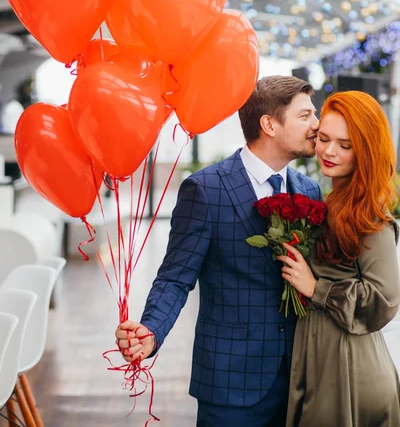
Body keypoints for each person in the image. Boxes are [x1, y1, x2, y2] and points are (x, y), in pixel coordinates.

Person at [115, 75, 322, 427]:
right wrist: (151, 330)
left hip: (300, 379)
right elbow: (175, 278)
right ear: (269, 124)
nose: (316, 125)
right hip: (231, 382)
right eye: (305, 116)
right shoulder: (206, 189)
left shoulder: (310, 190)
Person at [278, 91, 400, 427]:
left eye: (345, 145)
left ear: (365, 151)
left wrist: (316, 287)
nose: (329, 152)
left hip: (350, 365)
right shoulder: (332, 201)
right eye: (325, 139)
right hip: (324, 357)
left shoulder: (370, 217)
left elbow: (384, 300)